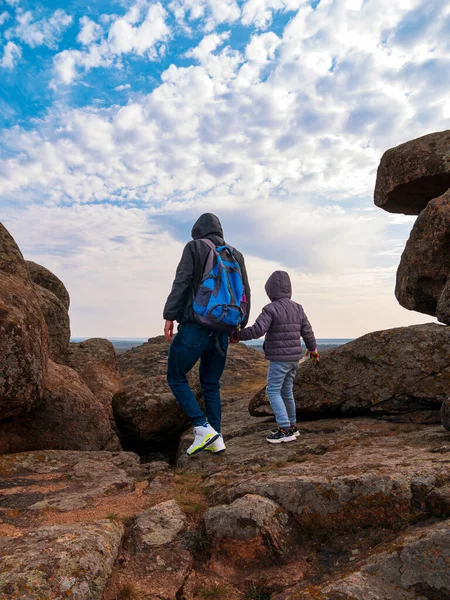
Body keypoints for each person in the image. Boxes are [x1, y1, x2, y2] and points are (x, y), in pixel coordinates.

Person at [164, 213, 251, 456]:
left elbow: (181, 282)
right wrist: (238, 325)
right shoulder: (236, 254)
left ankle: (202, 428)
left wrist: (169, 315)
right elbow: (245, 292)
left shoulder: (195, 247)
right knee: (211, 384)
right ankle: (217, 437)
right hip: (223, 329)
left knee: (176, 375)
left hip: (196, 326)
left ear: (198, 230)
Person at [235, 270, 318, 444]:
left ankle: (284, 429)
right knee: (286, 391)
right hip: (294, 359)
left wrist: (237, 336)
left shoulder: (270, 309)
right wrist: (313, 350)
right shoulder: (298, 308)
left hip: (279, 359)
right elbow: (307, 331)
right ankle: (292, 426)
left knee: (272, 391)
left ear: (270, 290)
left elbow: (258, 330)